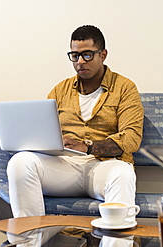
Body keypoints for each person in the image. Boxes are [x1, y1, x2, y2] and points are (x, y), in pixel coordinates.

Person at [7, 25, 144, 218]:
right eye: (74, 55)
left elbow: (131, 139)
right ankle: (29, 240)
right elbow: (44, 132)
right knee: (20, 162)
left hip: (104, 167)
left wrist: (86, 146)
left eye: (87, 55)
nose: (80, 62)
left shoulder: (124, 88)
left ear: (103, 55)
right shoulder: (60, 90)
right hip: (64, 167)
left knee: (123, 173)